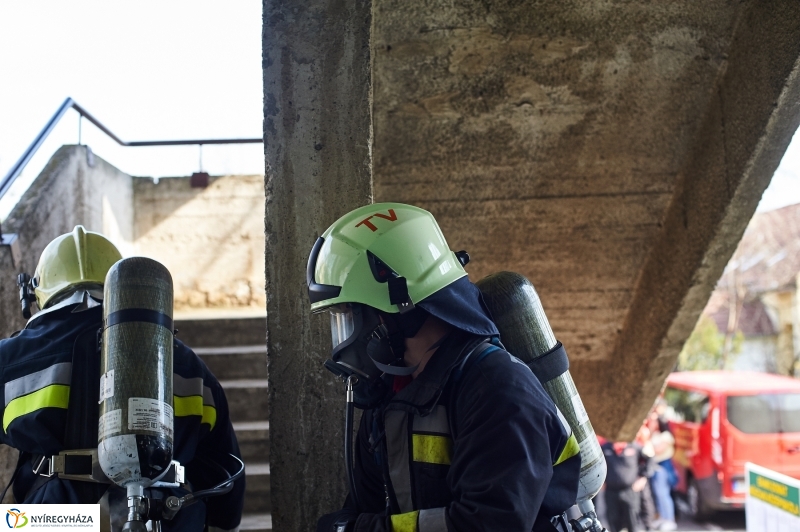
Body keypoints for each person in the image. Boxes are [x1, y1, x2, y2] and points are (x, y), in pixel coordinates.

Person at [308, 203, 582, 532]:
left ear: (401, 306)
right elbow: (364, 508)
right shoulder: (388, 401)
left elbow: (489, 524)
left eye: (352, 316)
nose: (346, 340)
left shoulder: (498, 390)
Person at [0, 226, 244, 532]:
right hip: (168, 517)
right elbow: (226, 484)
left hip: (55, 521)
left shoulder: (11, 359)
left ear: (36, 292)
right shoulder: (191, 369)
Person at [602, 437, 655, 532]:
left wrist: (643, 477)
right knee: (613, 522)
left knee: (633, 521)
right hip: (611, 491)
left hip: (630, 491)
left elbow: (650, 458)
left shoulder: (634, 446)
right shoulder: (605, 448)